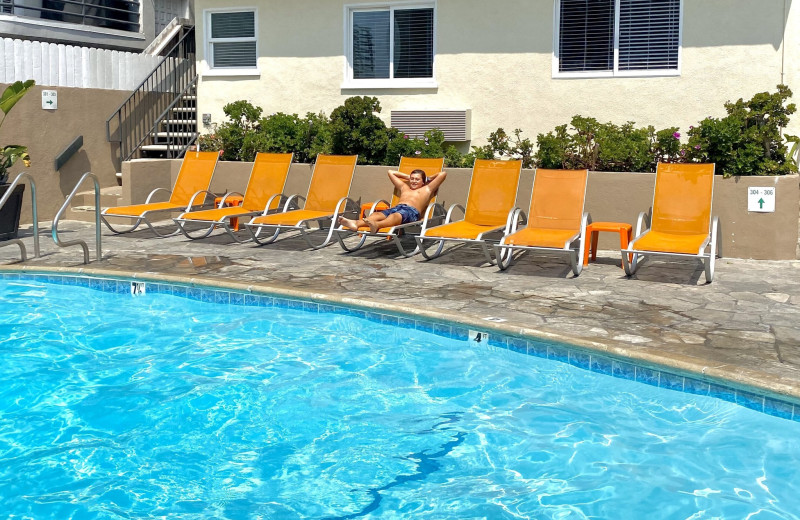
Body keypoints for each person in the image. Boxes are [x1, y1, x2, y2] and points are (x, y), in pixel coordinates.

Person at [338, 168, 447, 233]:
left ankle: (377, 226)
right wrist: (407, 177)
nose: (413, 181)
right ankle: (356, 224)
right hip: (396, 208)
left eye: (417, 179)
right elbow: (390, 172)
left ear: (423, 181)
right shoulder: (404, 187)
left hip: (411, 212)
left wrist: (428, 178)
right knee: (376, 215)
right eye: (412, 178)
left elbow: (443, 174)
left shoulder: (427, 189)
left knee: (394, 216)